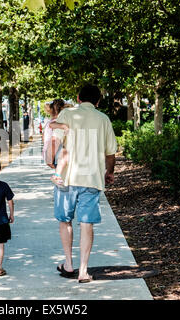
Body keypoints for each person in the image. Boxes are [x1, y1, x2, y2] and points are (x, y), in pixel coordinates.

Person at [52, 84, 117, 283]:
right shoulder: (103, 119)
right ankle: (83, 270)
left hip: (67, 177)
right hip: (92, 178)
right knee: (86, 222)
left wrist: (55, 166)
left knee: (65, 220)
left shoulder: (66, 115)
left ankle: (68, 263)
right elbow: (110, 153)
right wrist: (109, 172)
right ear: (97, 101)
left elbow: (55, 142)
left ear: (78, 98)